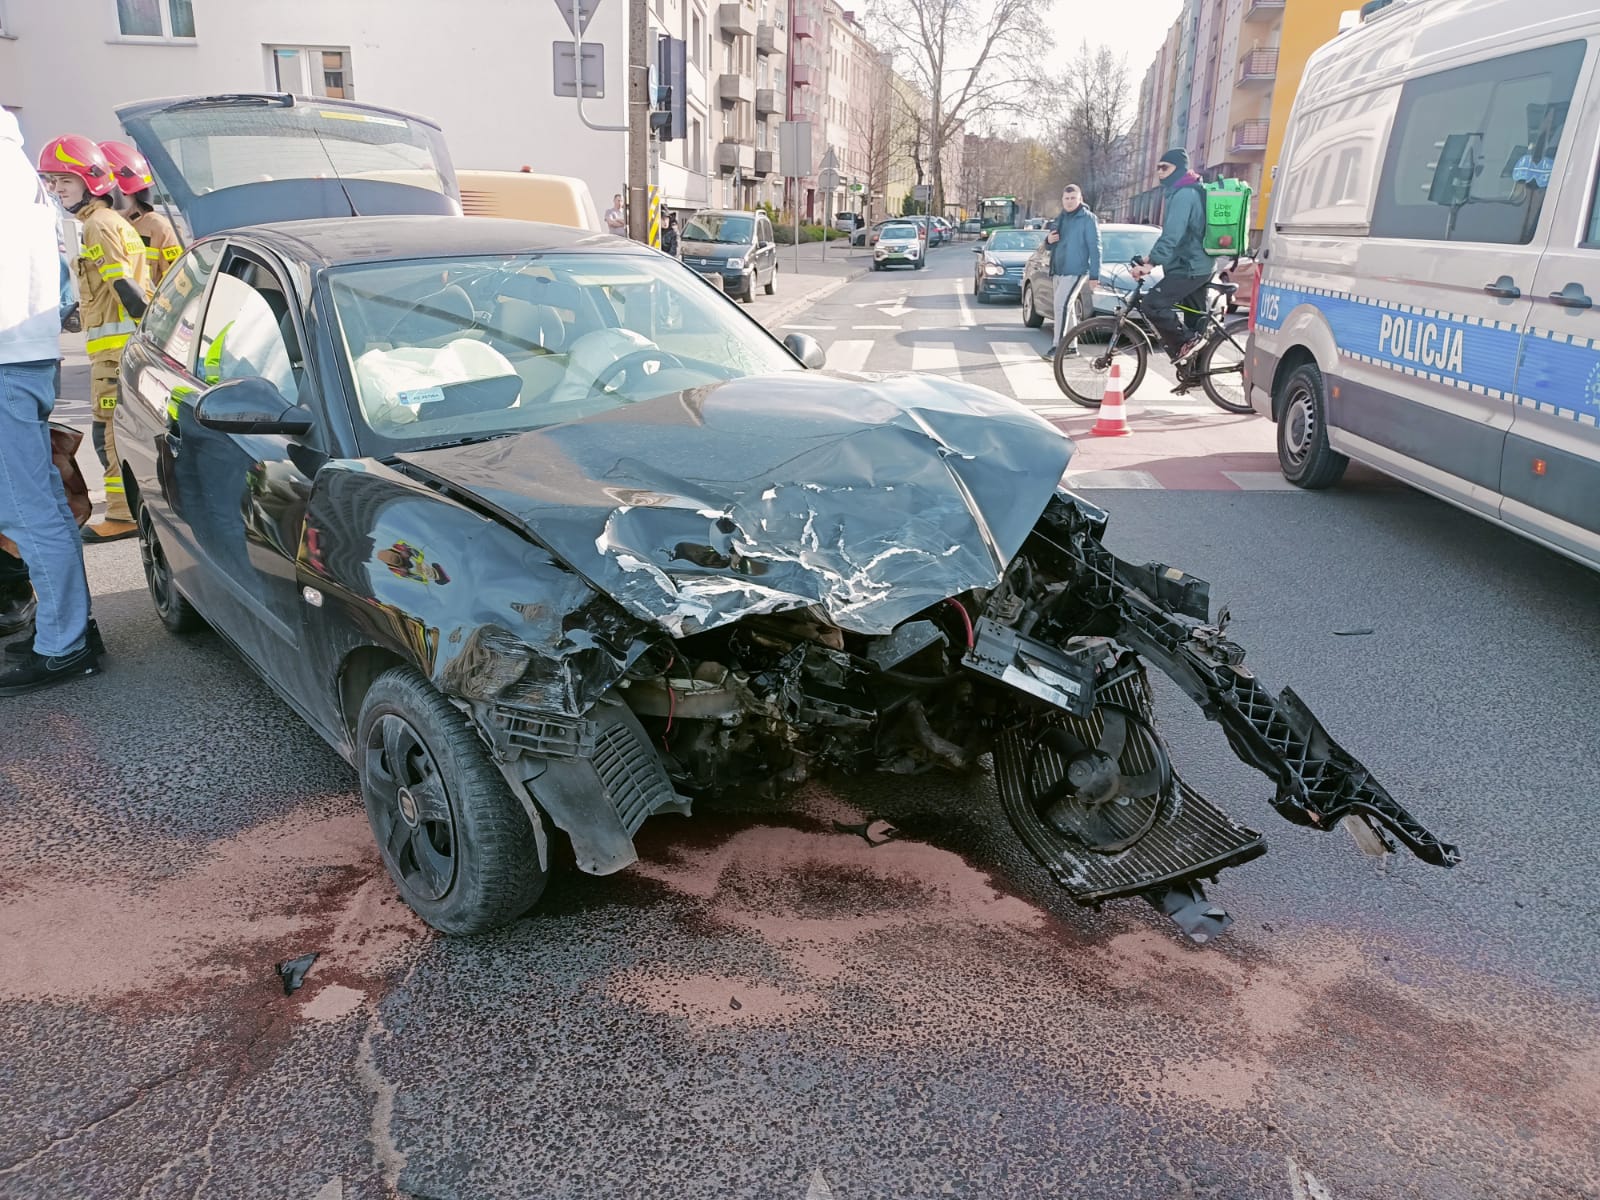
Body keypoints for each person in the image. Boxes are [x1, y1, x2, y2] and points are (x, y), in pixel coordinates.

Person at [0, 111, 100, 695]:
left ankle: (64, 646)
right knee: (38, 505)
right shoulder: (18, 168)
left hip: (8, 358)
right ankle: (68, 630)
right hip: (26, 354)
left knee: (28, 511)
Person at [37, 134, 150, 543]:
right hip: (116, 350)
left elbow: (126, 289)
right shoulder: (102, 222)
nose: (55, 189)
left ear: (92, 180)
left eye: (64, 180)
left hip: (116, 354)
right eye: (50, 181)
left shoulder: (99, 227)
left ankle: (121, 514)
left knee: (110, 431)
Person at [1131, 148, 1214, 369]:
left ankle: (1187, 342)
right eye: (1158, 167)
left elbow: (1172, 235)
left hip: (1190, 267)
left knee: (1153, 305)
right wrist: (1150, 257)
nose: (1160, 172)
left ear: (1178, 169)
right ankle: (1195, 373)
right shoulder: (1182, 192)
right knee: (1195, 321)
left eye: (1164, 167)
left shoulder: (1184, 194)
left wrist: (1150, 264)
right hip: (1195, 264)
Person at [99, 140, 182, 289]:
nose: (111, 201)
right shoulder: (98, 227)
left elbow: (179, 285)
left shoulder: (158, 228)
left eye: (117, 193)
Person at [1040, 183, 1101, 361]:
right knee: (1068, 307)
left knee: (1061, 306)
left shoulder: (1088, 219)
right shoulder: (1061, 217)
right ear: (1062, 200)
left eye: (1073, 198)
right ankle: (1072, 348)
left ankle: (1057, 347)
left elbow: (1095, 247)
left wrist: (1094, 275)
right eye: (1066, 198)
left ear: (1080, 199)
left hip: (1076, 269)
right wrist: (1048, 240)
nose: (1069, 201)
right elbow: (1050, 244)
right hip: (1058, 268)